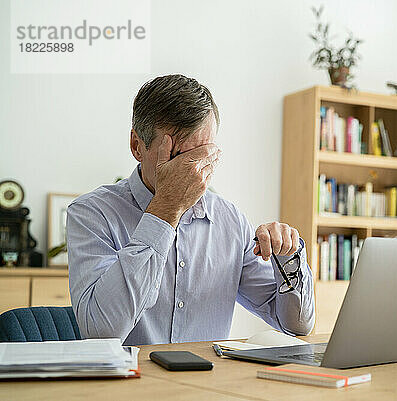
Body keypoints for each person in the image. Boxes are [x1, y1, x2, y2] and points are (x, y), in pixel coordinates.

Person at [66, 74, 315, 345]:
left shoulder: (229, 221)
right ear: (137, 146)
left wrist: (288, 258)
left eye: (204, 155)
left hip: (208, 384)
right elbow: (101, 332)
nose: (194, 172)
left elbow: (296, 325)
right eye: (179, 157)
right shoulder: (91, 214)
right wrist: (166, 208)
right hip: (127, 384)